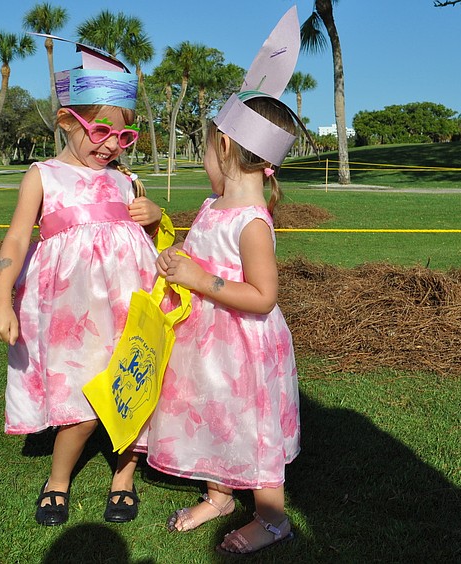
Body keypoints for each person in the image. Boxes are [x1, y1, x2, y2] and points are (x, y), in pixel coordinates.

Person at [0, 38, 162, 527]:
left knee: (132, 389)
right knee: (81, 402)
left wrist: (155, 214)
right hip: (73, 311)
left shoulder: (127, 180)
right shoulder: (44, 176)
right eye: (101, 131)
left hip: (130, 303)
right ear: (67, 121)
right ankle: (57, 480)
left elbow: (151, 240)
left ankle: (123, 477)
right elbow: (18, 239)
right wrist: (1, 300)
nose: (110, 145)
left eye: (123, 138)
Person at [145, 7, 301, 556]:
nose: (204, 160)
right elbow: (199, 252)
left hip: (244, 346)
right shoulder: (214, 205)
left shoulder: (253, 223)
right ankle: (218, 493)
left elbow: (262, 297)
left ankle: (272, 516)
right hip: (207, 339)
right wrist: (176, 257)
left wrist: (199, 277)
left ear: (228, 150)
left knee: (250, 428)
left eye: (207, 149)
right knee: (212, 413)